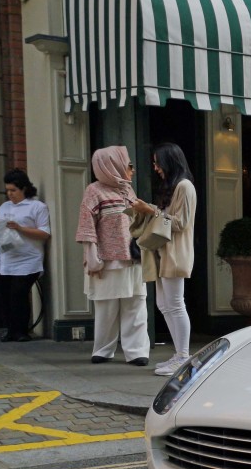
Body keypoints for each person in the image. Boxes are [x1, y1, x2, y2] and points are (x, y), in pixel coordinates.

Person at [75, 146, 149, 365]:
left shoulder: (128, 190)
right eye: (129, 165)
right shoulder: (94, 191)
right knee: (106, 306)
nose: (132, 170)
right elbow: (87, 225)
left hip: (133, 257)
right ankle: (103, 350)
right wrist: (92, 256)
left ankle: (136, 351)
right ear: (112, 165)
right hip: (107, 259)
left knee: (135, 304)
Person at [130, 142, 197, 376]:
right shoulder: (175, 187)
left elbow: (180, 223)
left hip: (176, 253)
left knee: (175, 304)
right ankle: (179, 354)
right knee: (164, 305)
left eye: (158, 162)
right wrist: (148, 208)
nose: (155, 167)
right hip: (164, 252)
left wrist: (150, 211)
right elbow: (169, 218)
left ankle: (183, 356)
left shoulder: (185, 186)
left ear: (169, 161)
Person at [0, 169, 50, 342]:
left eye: (13, 190)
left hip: (27, 258)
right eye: (7, 190)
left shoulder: (37, 207)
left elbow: (44, 233)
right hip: (5, 257)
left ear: (23, 188)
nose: (10, 194)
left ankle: (22, 330)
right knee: (5, 295)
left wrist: (20, 228)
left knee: (19, 294)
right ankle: (10, 330)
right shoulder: (4, 207)